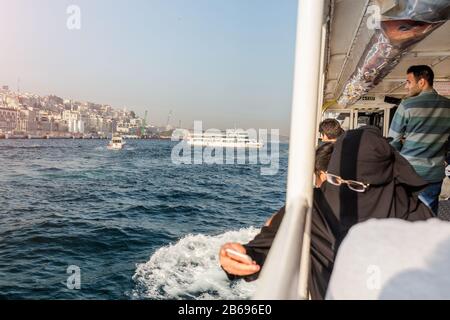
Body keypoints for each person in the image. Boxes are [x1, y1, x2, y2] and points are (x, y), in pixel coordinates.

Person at [220, 126, 433, 300]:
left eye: (356, 186)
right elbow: (265, 247)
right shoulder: (315, 207)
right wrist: (239, 258)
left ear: (384, 184)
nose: (341, 191)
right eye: (335, 180)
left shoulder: (418, 221)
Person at [389, 65, 450, 215]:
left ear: (421, 82)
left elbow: (392, 140)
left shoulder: (407, 105)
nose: (406, 86)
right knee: (429, 214)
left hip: (410, 171)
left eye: (408, 82)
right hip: (435, 172)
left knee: (405, 212)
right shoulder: (448, 106)